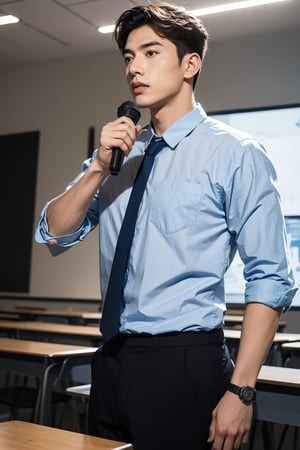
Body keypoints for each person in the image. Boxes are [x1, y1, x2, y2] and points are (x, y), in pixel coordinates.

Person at [35, 2, 297, 449]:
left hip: (183, 361)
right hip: (112, 359)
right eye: (128, 57)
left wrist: (242, 389)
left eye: (150, 53)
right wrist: (97, 169)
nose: (134, 67)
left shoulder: (235, 153)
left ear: (190, 64)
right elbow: (54, 233)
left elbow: (270, 277)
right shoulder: (120, 155)